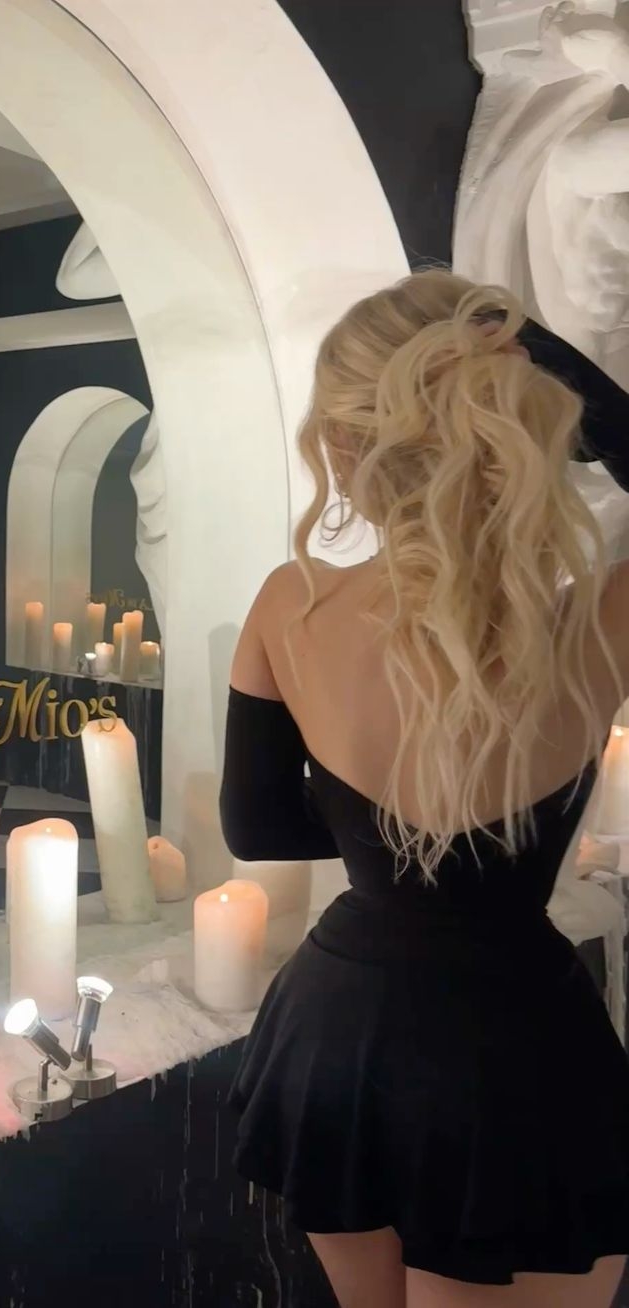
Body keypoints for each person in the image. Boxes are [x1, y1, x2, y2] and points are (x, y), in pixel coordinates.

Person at [220, 268, 629, 1308]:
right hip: (512, 1049)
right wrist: (547, 358)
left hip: (336, 1030)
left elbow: (256, 824)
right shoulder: (595, 625)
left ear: (342, 442)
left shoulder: (289, 604)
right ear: (518, 423)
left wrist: (386, 840)